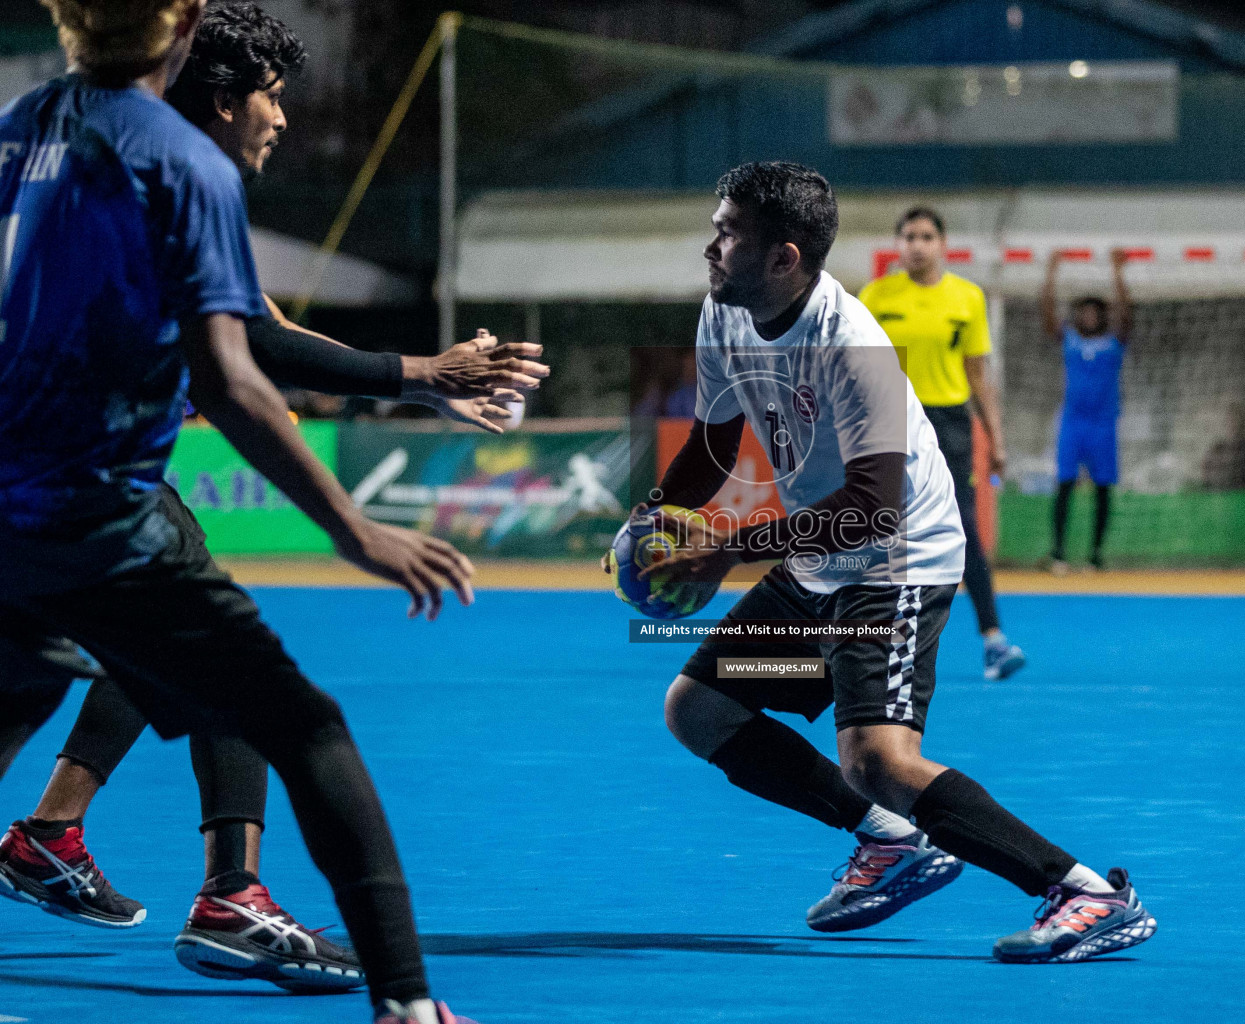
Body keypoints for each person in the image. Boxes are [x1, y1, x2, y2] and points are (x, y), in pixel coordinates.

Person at [0, 2, 545, 996]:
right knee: (297, 717)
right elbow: (236, 367)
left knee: (100, 652)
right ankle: (300, 937)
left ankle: (53, 834)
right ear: (192, 39)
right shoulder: (177, 161)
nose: (283, 118)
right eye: (274, 96)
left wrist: (419, 375)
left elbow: (260, 323)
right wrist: (360, 522)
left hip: (21, 509)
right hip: (87, 502)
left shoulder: (29, 122)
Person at [619, 161, 1155, 960]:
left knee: (879, 756)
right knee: (698, 708)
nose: (711, 247)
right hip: (818, 556)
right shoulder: (725, 313)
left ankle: (1084, 892)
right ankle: (892, 841)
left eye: (727, 233)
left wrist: (723, 552)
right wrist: (656, 521)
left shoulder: (851, 344)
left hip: (896, 561)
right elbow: (715, 439)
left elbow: (873, 508)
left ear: (783, 258)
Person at [858, 207, 1025, 681]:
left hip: (949, 425)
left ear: (942, 243)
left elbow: (978, 375)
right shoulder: (875, 296)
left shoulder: (967, 298)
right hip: (888, 422)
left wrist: (996, 438)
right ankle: (881, 640)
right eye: (908, 236)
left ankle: (994, 641)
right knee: (882, 530)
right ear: (898, 245)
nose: (917, 244)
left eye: (926, 236)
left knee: (961, 528)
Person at [1042, 248, 1131, 573]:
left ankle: (1095, 554)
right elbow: (1048, 313)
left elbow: (1126, 315)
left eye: (1096, 312)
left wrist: (1118, 273)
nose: (1090, 317)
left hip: (1104, 425)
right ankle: (1058, 554)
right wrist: (1051, 273)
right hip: (1072, 424)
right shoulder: (1068, 339)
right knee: (1064, 485)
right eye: (1085, 312)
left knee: (1102, 489)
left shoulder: (1114, 342)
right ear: (1077, 316)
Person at [1200, 401, 1245, 490]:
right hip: (1224, 497)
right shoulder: (1218, 448)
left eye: (1238, 420)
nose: (1234, 424)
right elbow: (1206, 475)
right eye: (1230, 421)